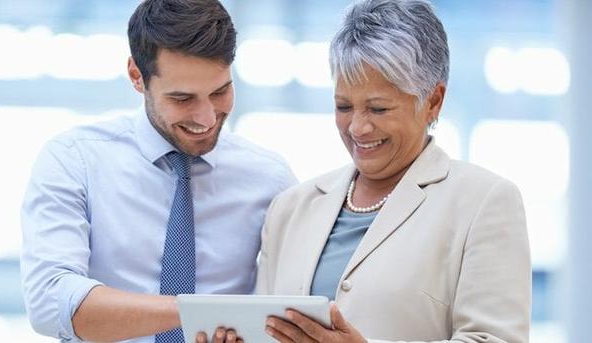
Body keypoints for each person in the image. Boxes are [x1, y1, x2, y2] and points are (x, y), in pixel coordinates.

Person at [202, 0, 531, 342]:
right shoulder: (291, 208)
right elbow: (265, 332)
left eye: (378, 108)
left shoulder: (483, 203)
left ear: (433, 101)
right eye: (343, 106)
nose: (358, 127)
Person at [20, 0, 296, 342]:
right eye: (183, 99)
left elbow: (290, 303)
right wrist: (200, 314)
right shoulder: (76, 161)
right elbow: (50, 303)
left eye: (220, 91)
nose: (207, 118)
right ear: (137, 76)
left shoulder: (270, 178)